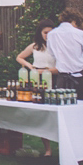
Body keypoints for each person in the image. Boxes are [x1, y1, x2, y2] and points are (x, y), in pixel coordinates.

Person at [16, 19, 58, 156]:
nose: (48, 36)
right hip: (36, 80)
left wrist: (44, 71)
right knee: (41, 114)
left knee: (53, 113)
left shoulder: (57, 47)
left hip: (52, 79)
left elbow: (60, 68)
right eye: (45, 33)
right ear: (40, 33)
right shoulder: (34, 46)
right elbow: (20, 57)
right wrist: (30, 67)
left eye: (50, 33)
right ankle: (47, 149)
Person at [46, 8, 83, 102]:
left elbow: (52, 54)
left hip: (62, 79)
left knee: (63, 106)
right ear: (74, 21)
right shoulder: (80, 33)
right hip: (81, 78)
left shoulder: (51, 34)